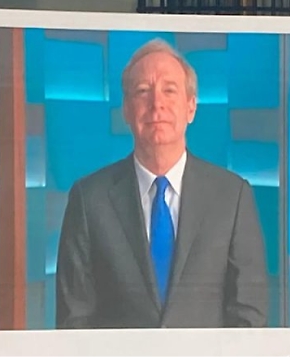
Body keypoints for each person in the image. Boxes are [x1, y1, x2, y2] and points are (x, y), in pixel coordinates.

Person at [55, 38, 268, 329]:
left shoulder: (233, 196)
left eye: (170, 90)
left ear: (191, 107)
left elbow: (249, 317)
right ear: (127, 110)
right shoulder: (88, 199)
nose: (157, 104)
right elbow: (74, 320)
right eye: (143, 91)